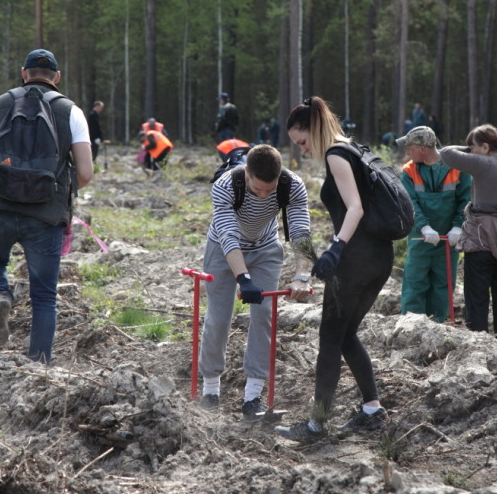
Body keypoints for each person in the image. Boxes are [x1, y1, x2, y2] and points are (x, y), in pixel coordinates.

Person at [275, 96, 392, 442]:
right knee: (346, 335)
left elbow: (354, 208)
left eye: (302, 142)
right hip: (379, 259)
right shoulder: (353, 148)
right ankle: (372, 410)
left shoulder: (337, 155)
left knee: (329, 339)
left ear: (313, 130)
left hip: (355, 263)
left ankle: (316, 426)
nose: (302, 150)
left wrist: (336, 250)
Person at [0, 48, 93, 364]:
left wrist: (9, 182)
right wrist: (53, 190)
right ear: (57, 78)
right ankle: (38, 365)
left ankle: (0, 294)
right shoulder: (72, 111)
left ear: (24, 73)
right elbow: (85, 173)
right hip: (44, 214)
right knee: (43, 296)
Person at [199, 144, 312, 420]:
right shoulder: (226, 185)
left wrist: (302, 275)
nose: (263, 195)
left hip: (266, 248)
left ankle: (253, 396)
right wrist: (243, 278)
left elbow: (300, 230)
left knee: (264, 315)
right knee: (220, 315)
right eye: (257, 189)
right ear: (246, 172)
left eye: (269, 190)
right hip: (222, 249)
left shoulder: (292, 185)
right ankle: (211, 387)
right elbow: (227, 234)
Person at [440, 124, 497, 353]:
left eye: (473, 147)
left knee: (477, 300)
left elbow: (446, 153)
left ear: (485, 147)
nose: (471, 152)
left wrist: (467, 151)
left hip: (483, 241)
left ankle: (478, 351)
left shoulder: (484, 163)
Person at [396, 126, 471, 322]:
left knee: (443, 284)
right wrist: (424, 226)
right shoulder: (409, 171)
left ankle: (437, 326)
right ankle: (410, 326)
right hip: (420, 238)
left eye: (410, 148)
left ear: (422, 148)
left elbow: (465, 201)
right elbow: (409, 202)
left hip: (448, 240)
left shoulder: (458, 169)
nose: (407, 153)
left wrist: (458, 226)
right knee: (414, 283)